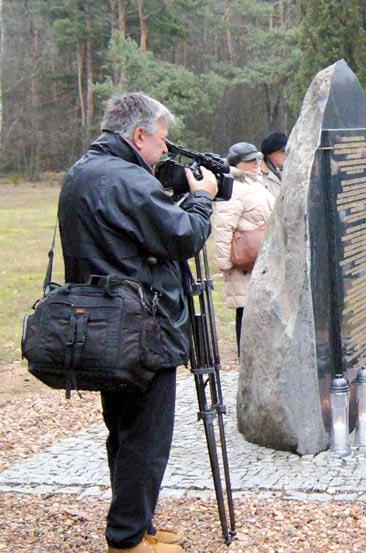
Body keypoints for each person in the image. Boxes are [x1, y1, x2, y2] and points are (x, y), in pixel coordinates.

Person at [58, 92, 217, 553]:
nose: (165, 152)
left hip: (103, 322)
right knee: (146, 436)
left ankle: (137, 522)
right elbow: (183, 236)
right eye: (162, 141)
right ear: (139, 134)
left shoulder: (84, 170)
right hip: (141, 326)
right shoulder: (127, 180)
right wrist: (201, 200)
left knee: (124, 431)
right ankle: (128, 539)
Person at [213, 142, 275, 355]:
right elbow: (223, 226)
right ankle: (247, 363)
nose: (255, 163)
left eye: (256, 159)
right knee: (246, 312)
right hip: (244, 261)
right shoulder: (233, 187)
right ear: (237, 163)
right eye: (249, 160)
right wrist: (223, 262)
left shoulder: (256, 184)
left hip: (261, 259)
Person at [259, 131, 287, 197]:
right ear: (269, 153)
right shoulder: (258, 176)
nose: (286, 154)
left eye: (288, 150)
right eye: (283, 150)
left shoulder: (293, 172)